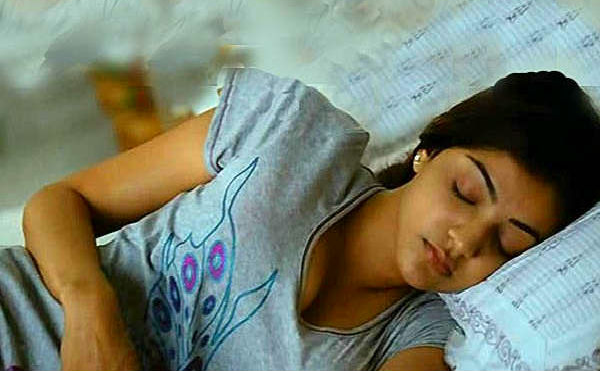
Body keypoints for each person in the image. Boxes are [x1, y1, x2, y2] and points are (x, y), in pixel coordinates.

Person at [2, 66, 599, 371]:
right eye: (466, 192)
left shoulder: (421, 340)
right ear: (428, 152)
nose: (465, 241)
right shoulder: (293, 130)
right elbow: (61, 201)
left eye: (508, 242)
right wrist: (91, 313)